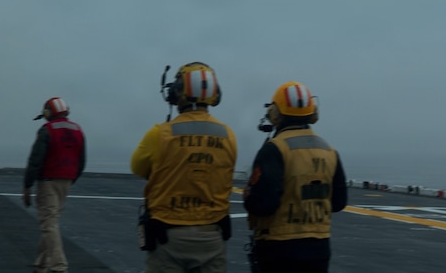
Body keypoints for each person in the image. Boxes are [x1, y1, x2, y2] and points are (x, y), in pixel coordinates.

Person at [131, 61, 237, 272]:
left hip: (169, 238)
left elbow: (137, 167)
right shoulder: (228, 135)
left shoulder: (159, 134)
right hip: (212, 236)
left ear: (176, 93)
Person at [243, 81, 347, 273]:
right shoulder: (329, 151)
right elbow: (339, 202)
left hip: (279, 248)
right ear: (312, 112)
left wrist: (248, 195)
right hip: (319, 247)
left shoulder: (275, 149)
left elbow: (263, 204)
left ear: (275, 113)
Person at [23, 96, 86, 273]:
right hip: (66, 182)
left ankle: (59, 266)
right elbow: (81, 161)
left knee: (48, 224)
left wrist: (27, 186)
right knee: (51, 221)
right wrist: (70, 179)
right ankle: (41, 264)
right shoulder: (78, 130)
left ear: (49, 112)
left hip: (48, 182)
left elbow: (35, 160)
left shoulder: (47, 130)